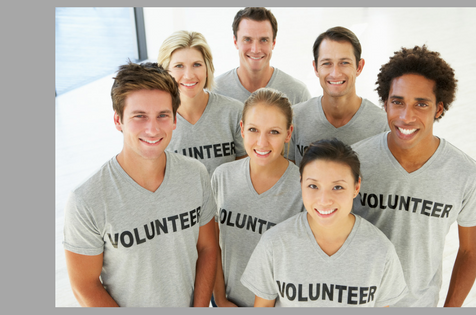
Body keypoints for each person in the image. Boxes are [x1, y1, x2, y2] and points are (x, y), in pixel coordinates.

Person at [63, 62, 218, 307]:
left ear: (175, 119)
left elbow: (208, 248)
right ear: (118, 120)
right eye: (139, 116)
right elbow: (84, 286)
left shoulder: (195, 175)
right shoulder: (87, 199)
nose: (153, 128)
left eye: (162, 115)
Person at [351, 45, 476, 307]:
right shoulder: (355, 162)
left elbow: (469, 250)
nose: (407, 117)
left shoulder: (466, 173)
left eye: (421, 104)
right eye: (397, 102)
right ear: (385, 103)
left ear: (439, 109)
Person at [241, 138, 407, 307]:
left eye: (337, 187)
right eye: (313, 186)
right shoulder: (274, 244)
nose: (324, 200)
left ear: (356, 188)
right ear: (301, 184)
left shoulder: (380, 250)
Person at [211, 88, 304, 307]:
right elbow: (212, 246)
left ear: (288, 133)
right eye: (254, 129)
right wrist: (221, 300)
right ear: (242, 129)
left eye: (273, 132)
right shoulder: (222, 176)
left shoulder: (304, 187)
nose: (262, 142)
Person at [289, 26, 389, 166]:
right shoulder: (295, 118)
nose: (335, 73)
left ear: (359, 67)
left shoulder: (383, 125)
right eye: (327, 63)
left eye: (344, 63)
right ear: (316, 68)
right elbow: (287, 178)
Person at [158, 30, 247, 176]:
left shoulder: (235, 112)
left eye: (197, 64)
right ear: (166, 72)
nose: (189, 75)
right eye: (179, 66)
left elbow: (244, 173)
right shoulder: (156, 120)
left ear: (207, 69)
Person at [213, 7, 311, 105]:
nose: (255, 50)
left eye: (264, 40)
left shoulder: (298, 94)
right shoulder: (214, 92)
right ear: (235, 42)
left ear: (273, 43)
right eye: (247, 39)